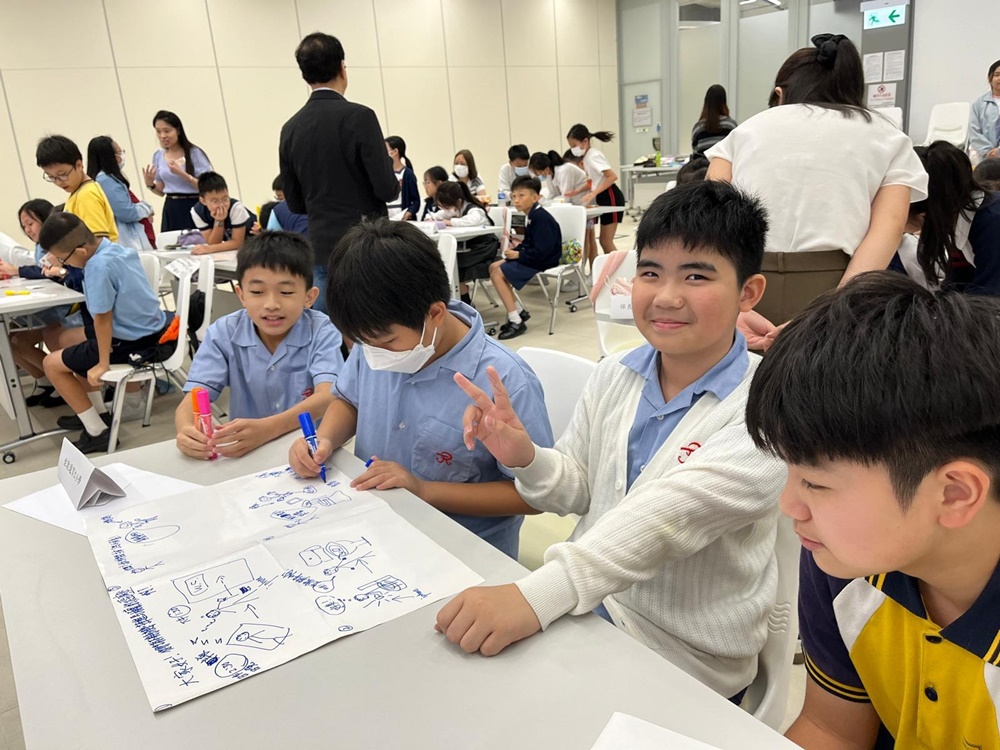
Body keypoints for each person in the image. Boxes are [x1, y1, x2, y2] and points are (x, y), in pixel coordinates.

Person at [437, 181, 784, 703]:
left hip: (686, 656)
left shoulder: (768, 410)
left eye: (696, 276)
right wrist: (524, 456)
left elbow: (664, 519)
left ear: (748, 292)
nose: (666, 297)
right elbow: (578, 489)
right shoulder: (616, 373)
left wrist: (536, 596)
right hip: (594, 610)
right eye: (651, 272)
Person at [745, 271, 1000, 749]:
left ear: (955, 494)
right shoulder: (846, 560)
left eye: (816, 483)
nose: (789, 505)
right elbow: (832, 728)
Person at [288, 220, 554, 559]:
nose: (374, 354)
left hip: (462, 550)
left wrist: (423, 489)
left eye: (387, 342)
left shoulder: (504, 381)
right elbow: (349, 401)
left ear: (435, 314)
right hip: (373, 529)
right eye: (362, 343)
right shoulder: (374, 342)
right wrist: (324, 440)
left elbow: (533, 497)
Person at [706, 33, 928, 329]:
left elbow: (710, 217)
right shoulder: (889, 138)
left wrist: (732, 298)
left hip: (745, 283)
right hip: (840, 284)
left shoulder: (743, 132)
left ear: (779, 94)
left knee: (742, 360)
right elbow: (889, 227)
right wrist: (838, 305)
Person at [177, 231, 344, 460]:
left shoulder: (321, 331)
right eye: (257, 292)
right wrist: (186, 430)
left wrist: (269, 428)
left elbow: (327, 396)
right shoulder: (223, 333)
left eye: (286, 292)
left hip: (310, 452)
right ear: (241, 294)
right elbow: (195, 397)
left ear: (309, 297)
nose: (271, 304)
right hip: (246, 455)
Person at [279, 32, 399, 315]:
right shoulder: (361, 117)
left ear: (304, 75)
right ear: (343, 68)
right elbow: (386, 188)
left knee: (328, 327)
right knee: (373, 324)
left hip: (321, 247)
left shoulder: (290, 128)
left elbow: (294, 203)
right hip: (366, 245)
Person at [39, 213, 172, 454]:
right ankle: (99, 413)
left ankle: (97, 432)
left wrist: (102, 363)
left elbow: (103, 319)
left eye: (63, 259)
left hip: (130, 342)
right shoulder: (113, 248)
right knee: (67, 341)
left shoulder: (97, 267)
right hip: (152, 329)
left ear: (80, 251)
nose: (63, 264)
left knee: (51, 364)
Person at [0, 200, 85, 407]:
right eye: (24, 226)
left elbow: (49, 273)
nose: (28, 230)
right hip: (56, 309)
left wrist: (17, 270)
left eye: (31, 224)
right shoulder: (41, 247)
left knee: (40, 338)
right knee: (12, 340)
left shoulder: (63, 247)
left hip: (70, 311)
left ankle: (71, 389)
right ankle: (49, 383)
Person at [891, 141, 1000, 295]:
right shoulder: (957, 220)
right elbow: (960, 280)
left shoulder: (992, 224)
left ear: (923, 215)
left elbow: (988, 295)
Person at [488, 175, 561, 340]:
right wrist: (515, 252)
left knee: (498, 274)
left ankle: (516, 320)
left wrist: (519, 255)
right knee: (493, 266)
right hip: (533, 257)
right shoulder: (531, 215)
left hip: (543, 261)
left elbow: (543, 251)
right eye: (513, 196)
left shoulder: (541, 218)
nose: (516, 200)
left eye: (521, 195)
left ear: (535, 197)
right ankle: (519, 311)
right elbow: (529, 243)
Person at [36, 135, 118, 242]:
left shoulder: (86, 195)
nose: (58, 182)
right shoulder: (78, 193)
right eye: (51, 177)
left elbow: (98, 241)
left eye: (62, 175)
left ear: (79, 165)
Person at [143, 111, 212, 232]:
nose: (162, 136)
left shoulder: (194, 153)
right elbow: (161, 191)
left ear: (178, 131)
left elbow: (208, 187)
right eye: (158, 131)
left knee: (197, 241)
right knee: (172, 241)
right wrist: (150, 184)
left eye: (167, 131)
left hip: (194, 204)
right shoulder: (158, 156)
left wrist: (183, 175)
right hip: (172, 207)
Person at [565, 123, 625, 263]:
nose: (573, 149)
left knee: (606, 241)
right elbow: (593, 181)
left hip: (611, 196)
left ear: (585, 141)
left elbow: (612, 176)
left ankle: (622, 268)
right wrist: (577, 191)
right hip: (603, 196)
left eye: (574, 145)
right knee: (603, 241)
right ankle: (612, 269)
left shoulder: (593, 156)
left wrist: (593, 194)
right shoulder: (587, 157)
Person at [432, 181, 499, 304]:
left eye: (447, 206)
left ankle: (464, 301)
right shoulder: (455, 208)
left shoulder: (474, 210)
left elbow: (471, 221)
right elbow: (441, 214)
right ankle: (463, 299)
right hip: (469, 247)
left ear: (458, 201)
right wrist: (433, 217)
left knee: (452, 264)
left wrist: (450, 222)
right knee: (447, 262)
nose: (446, 210)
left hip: (484, 248)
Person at [87, 136, 153, 251]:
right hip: (126, 240)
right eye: (119, 152)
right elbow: (126, 212)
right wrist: (147, 208)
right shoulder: (105, 180)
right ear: (109, 157)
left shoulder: (106, 179)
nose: (121, 155)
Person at [190, 172, 255, 255]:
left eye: (225, 199)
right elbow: (213, 243)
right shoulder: (197, 212)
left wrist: (208, 249)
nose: (221, 205)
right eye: (215, 201)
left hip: (252, 245)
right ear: (203, 201)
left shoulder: (236, 208)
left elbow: (238, 243)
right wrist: (219, 221)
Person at [692, 84, 738, 154]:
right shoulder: (731, 125)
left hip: (702, 161)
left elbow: (695, 151)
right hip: (724, 161)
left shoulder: (698, 127)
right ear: (724, 102)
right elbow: (735, 150)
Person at [969, 59, 1000, 161]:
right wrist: (988, 151)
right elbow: (974, 132)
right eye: (997, 75)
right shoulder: (979, 104)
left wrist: (999, 151)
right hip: (986, 157)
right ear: (990, 78)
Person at [385, 136, 419, 220]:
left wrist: (409, 212)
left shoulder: (407, 174)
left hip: (402, 218)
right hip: (386, 218)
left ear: (395, 152)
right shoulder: (384, 173)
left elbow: (416, 201)